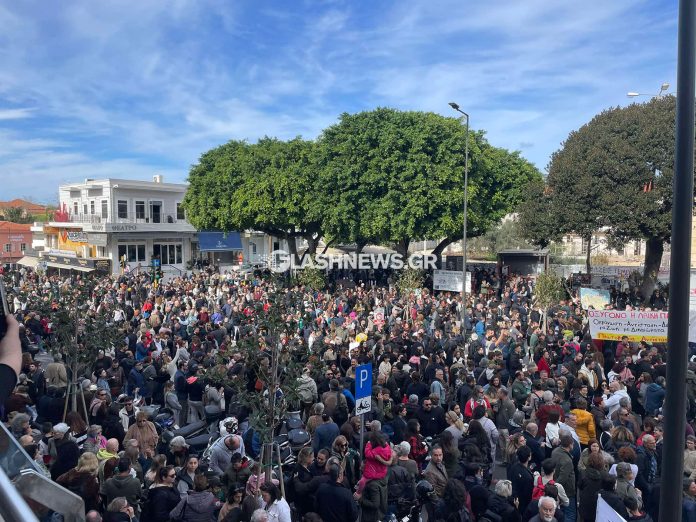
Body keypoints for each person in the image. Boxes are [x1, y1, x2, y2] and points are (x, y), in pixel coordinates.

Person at [355, 430, 391, 496]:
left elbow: (367, 453)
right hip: (381, 472)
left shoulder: (376, 451)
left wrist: (368, 444)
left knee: (363, 480)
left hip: (373, 472)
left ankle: (358, 493)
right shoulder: (386, 448)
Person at [577, 452, 605, 522]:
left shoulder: (583, 473)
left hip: (586, 504)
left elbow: (580, 486)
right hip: (599, 504)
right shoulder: (605, 475)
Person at [509, 445, 535, 513]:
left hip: (512, 499)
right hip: (522, 505)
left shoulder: (514, 466)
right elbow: (528, 496)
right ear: (529, 457)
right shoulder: (528, 477)